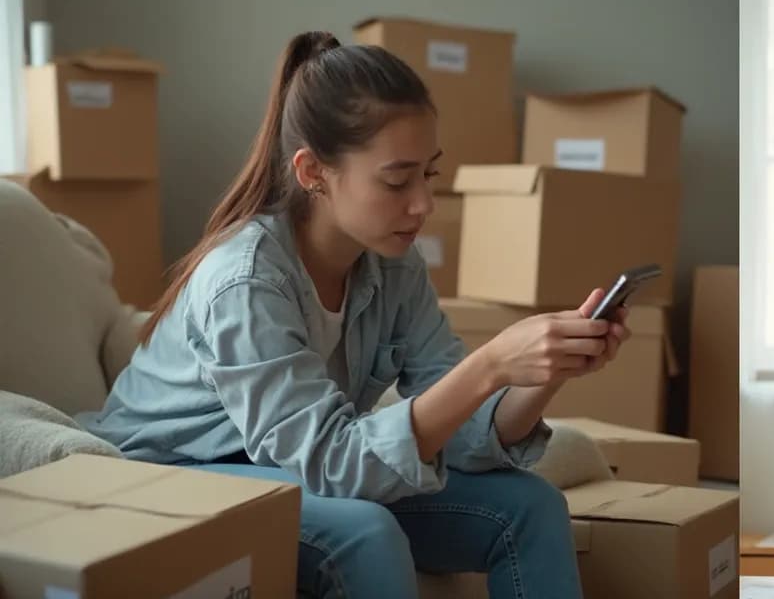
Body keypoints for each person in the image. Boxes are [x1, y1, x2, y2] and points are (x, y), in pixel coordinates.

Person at [78, 30, 628, 599]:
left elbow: (462, 433)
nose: (423, 204)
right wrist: (489, 365)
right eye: (397, 180)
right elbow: (333, 463)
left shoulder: (394, 264)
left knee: (531, 505)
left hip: (290, 472)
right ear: (313, 172)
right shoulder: (243, 281)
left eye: (428, 174)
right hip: (173, 475)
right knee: (366, 533)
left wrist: (544, 372)